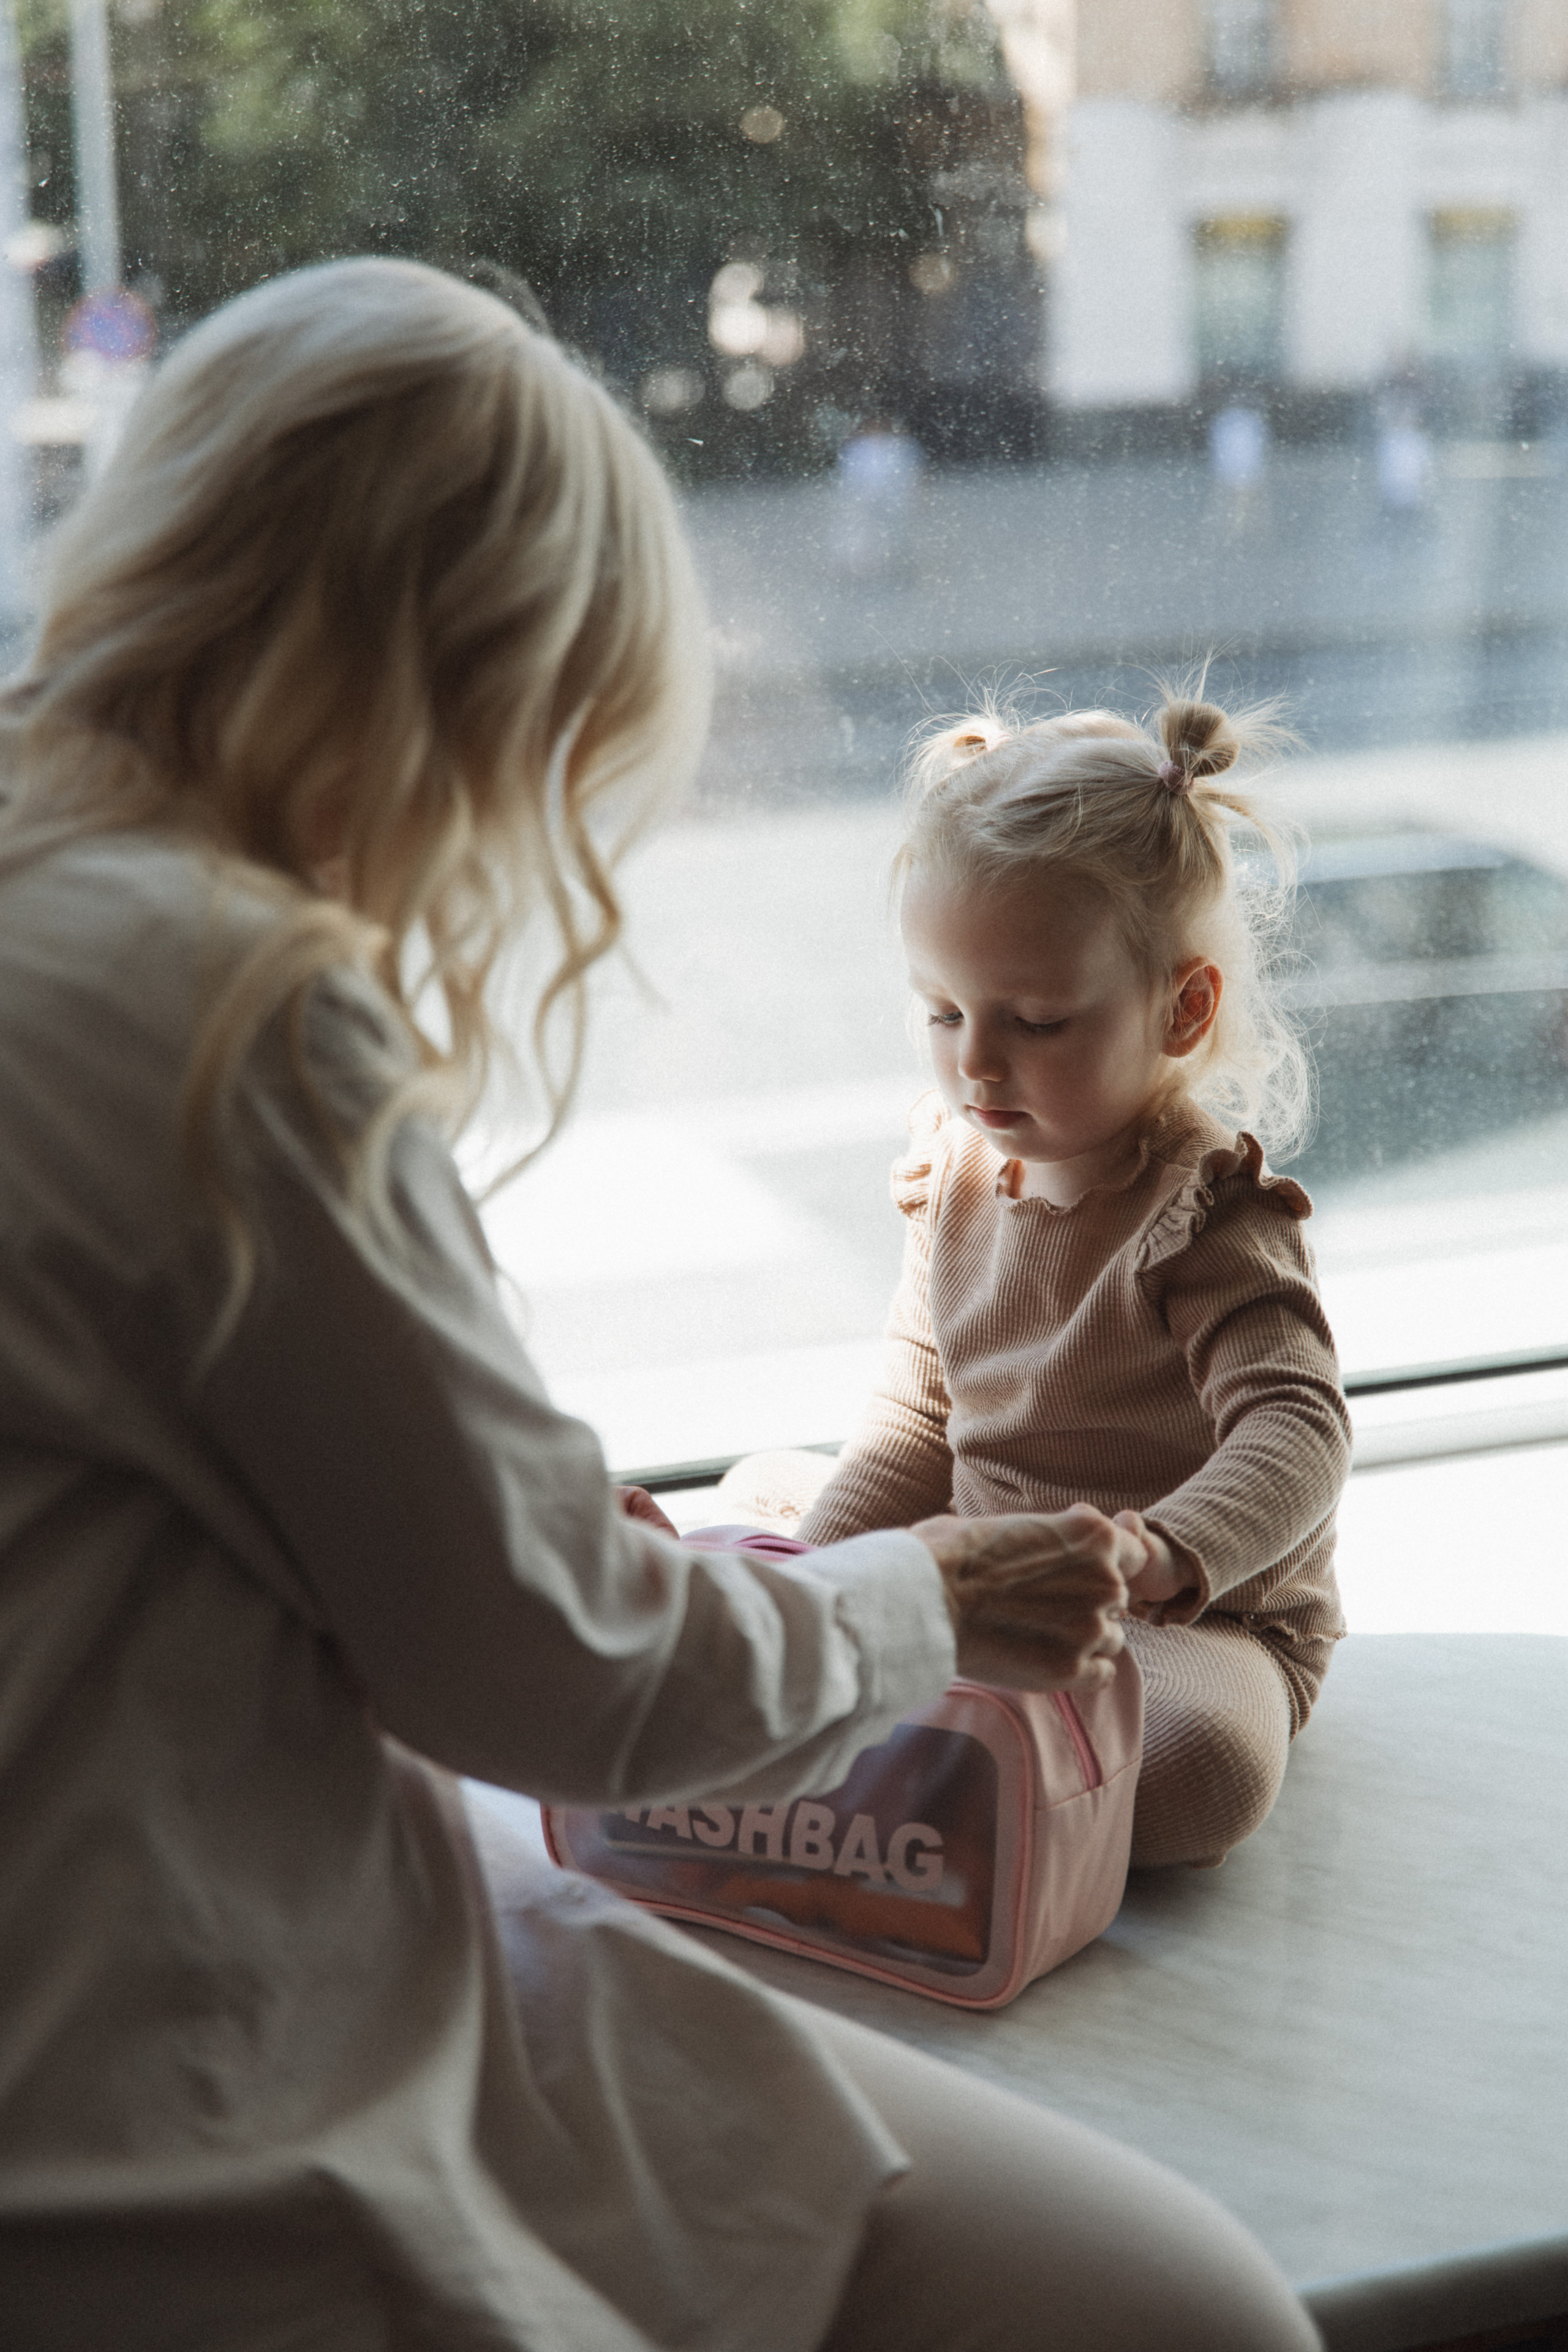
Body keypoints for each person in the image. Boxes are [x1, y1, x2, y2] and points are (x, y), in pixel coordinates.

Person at [0, 257, 1321, 2351]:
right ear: (479, 709)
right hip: (162, 2097)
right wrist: (931, 1600)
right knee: (1199, 2318)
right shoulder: (233, 1020)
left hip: (158, 1953)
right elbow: (550, 1673)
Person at [726, 696, 1351, 1872]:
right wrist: (819, 1590)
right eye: (945, 1012)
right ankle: (947, 1726)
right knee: (775, 1502)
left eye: (1038, 1020)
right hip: (989, 1556)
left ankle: (943, 1750)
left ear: (1184, 1007)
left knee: (1195, 1774)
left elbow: (1298, 1430)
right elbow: (919, 1418)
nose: (977, 1062)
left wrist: (1159, 1552)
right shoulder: (952, 1165)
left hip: (1180, 1620)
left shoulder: (1210, 1215)